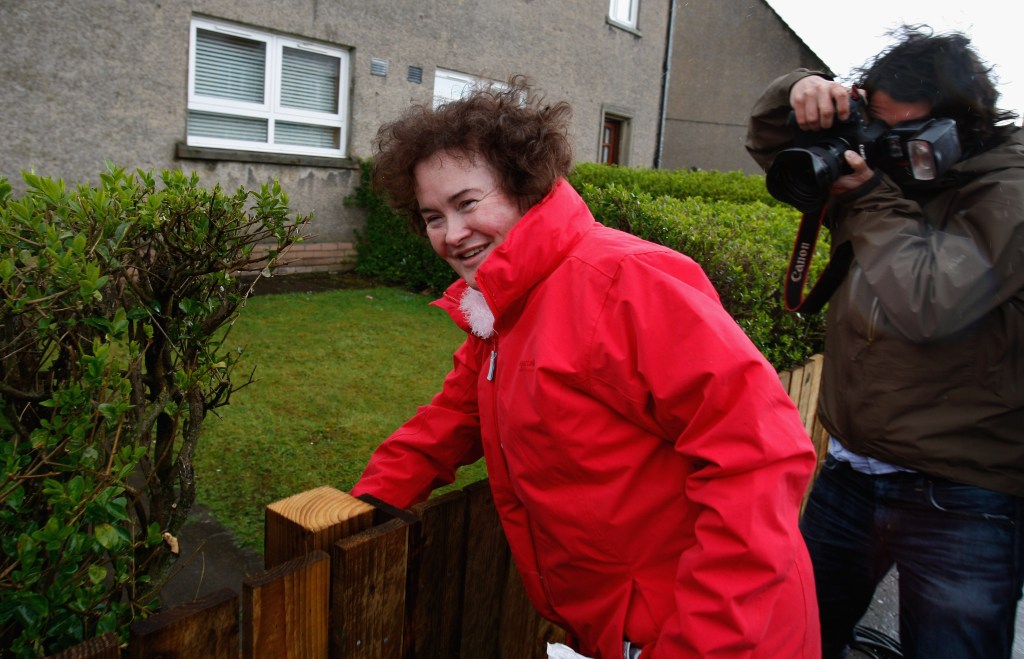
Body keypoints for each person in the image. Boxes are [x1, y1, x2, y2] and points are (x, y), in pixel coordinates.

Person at [352, 75, 820, 659]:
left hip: (718, 636)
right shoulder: (502, 306)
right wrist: (362, 507)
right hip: (621, 628)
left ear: (525, 187)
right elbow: (454, 416)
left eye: (467, 203)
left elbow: (759, 458)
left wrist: (695, 645)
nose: (452, 234)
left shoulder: (626, 283)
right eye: (432, 216)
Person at [746, 25, 1024, 659]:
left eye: (905, 137)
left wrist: (868, 196)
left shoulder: (1008, 190)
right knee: (795, 641)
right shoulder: (886, 165)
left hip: (962, 493)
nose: (883, 151)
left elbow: (932, 300)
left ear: (961, 129)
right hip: (851, 469)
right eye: (877, 129)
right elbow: (770, 141)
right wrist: (801, 93)